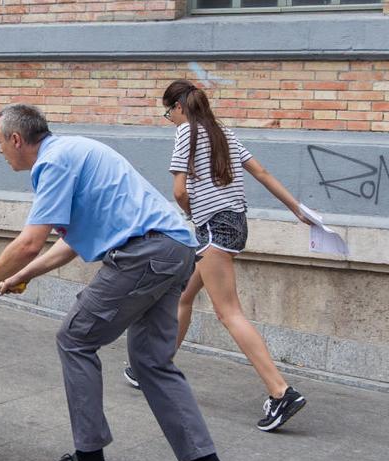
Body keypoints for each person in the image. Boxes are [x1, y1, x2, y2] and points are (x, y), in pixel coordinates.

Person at [0, 104, 234, 461]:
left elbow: (30, 241)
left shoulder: (52, 163)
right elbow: (67, 243)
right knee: (151, 361)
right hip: (173, 252)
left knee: (75, 338)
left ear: (16, 140)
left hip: (144, 255)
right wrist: (20, 276)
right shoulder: (72, 152)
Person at [123, 79, 310, 433]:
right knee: (183, 295)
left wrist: (191, 212)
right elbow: (262, 173)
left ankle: (280, 391)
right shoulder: (222, 133)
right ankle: (154, 365)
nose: (170, 119)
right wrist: (297, 209)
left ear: (178, 107)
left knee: (229, 312)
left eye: (168, 113)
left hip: (212, 229)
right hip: (235, 223)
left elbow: (179, 191)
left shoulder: (186, 133)